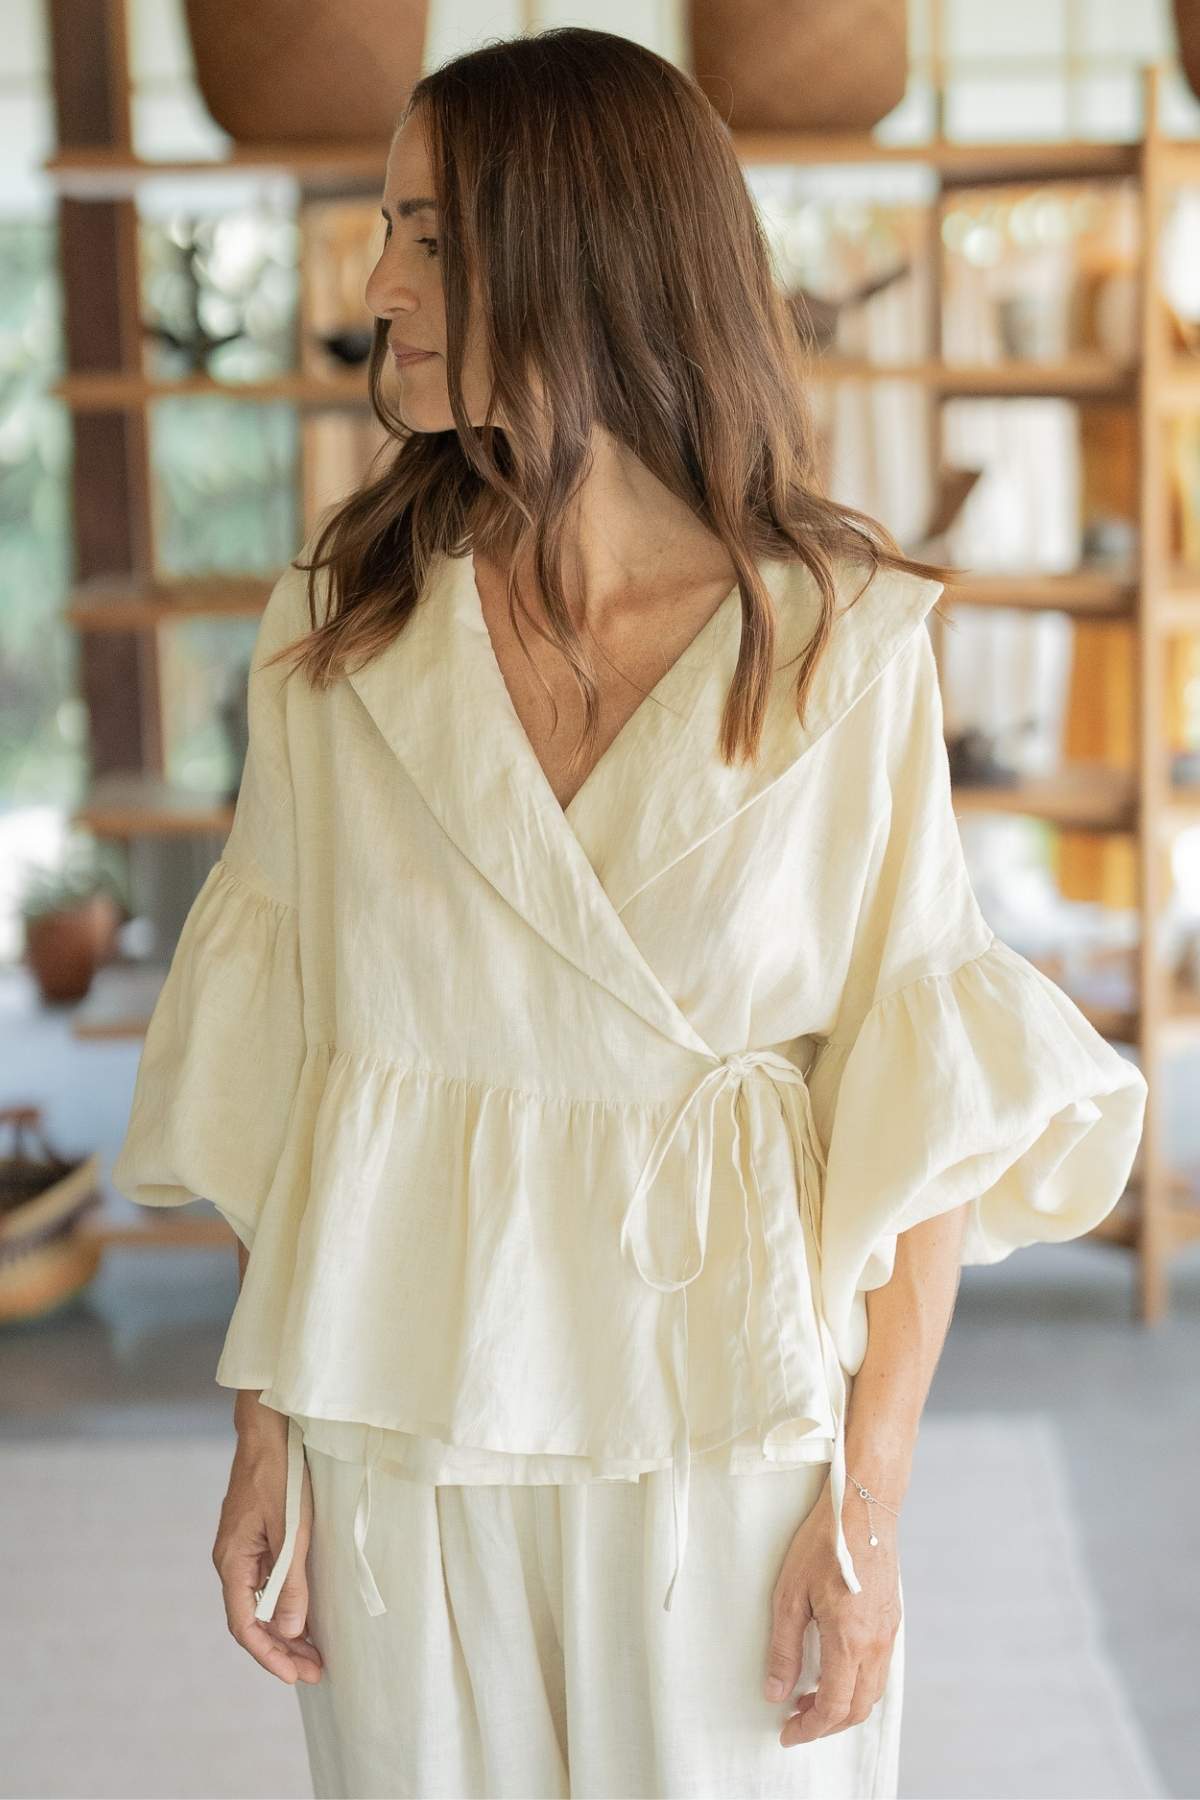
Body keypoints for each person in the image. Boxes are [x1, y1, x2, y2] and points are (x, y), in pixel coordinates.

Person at [111, 26, 1148, 1800]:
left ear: (587, 243)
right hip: (401, 1402)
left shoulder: (838, 640)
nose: (380, 287)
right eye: (387, 231)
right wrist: (262, 1421)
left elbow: (917, 1120)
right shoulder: (339, 629)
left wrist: (869, 1514)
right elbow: (283, 1068)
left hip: (726, 1414)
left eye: (431, 234)